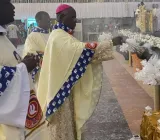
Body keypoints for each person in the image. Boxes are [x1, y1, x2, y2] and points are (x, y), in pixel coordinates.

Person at [37, 4, 124, 140]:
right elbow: (83, 51)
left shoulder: (61, 35)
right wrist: (111, 42)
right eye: (72, 17)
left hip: (63, 90)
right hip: (59, 93)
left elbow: (77, 53)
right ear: (61, 17)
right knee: (62, 131)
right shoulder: (58, 37)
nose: (75, 21)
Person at [0, 0, 46, 140]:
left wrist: (23, 62)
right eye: (7, 3)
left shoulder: (3, 37)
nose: (13, 7)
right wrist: (23, 67)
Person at [23, 11, 51, 89]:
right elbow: (31, 54)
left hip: (52, 70)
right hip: (41, 72)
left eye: (49, 20)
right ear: (39, 21)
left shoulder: (51, 34)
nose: (49, 22)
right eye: (47, 20)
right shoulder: (32, 36)